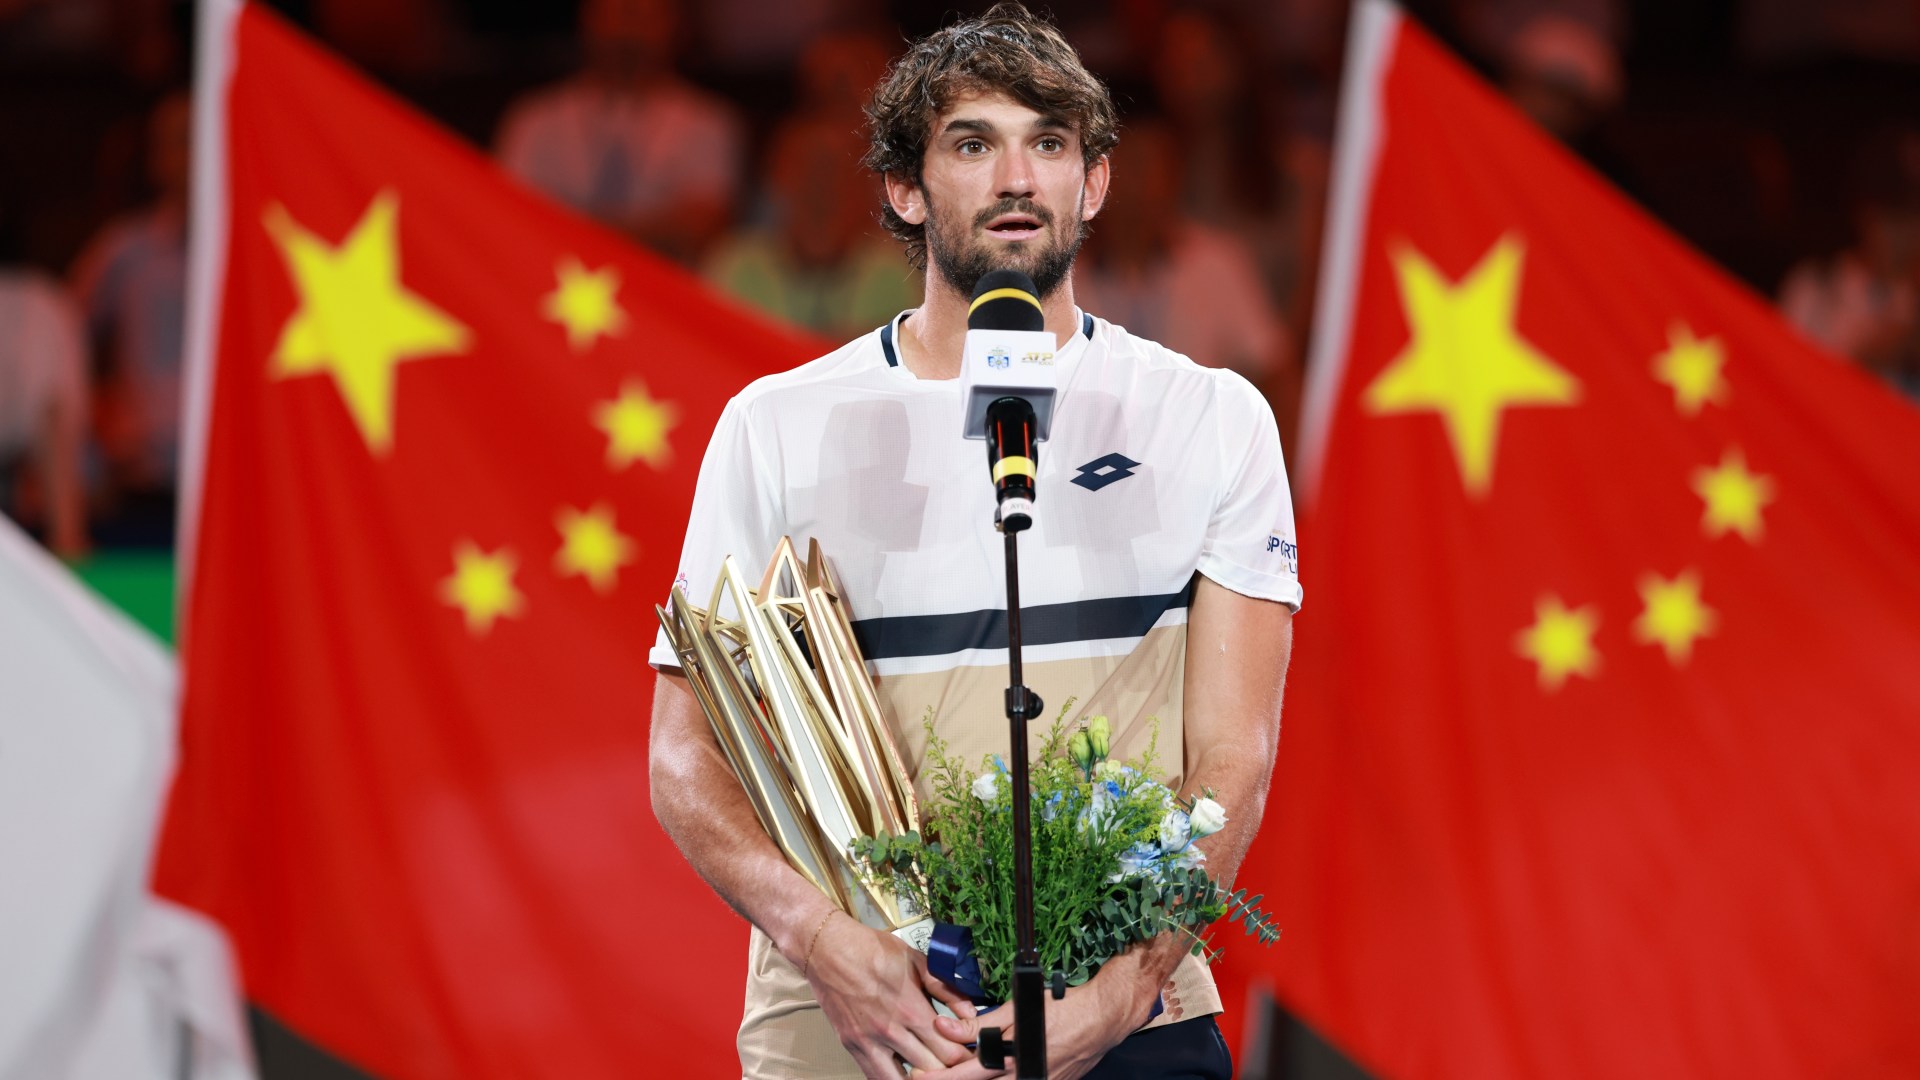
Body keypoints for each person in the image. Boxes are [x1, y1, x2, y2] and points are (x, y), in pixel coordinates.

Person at [647, 6, 1299, 1078]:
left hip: (1128, 1012)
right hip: (852, 1020)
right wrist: (822, 943)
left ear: (1094, 183)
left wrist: (1120, 991)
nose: (1016, 178)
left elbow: (1234, 755)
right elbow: (682, 758)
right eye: (971, 143)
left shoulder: (1213, 418)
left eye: (1049, 143)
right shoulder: (774, 426)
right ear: (904, 188)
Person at [493, 0, 745, 264]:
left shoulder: (708, 123)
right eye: (615, 11)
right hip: (546, 279)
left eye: (642, 13)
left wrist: (570, 224)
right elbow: (510, 221)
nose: (627, 29)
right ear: (587, 18)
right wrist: (659, 226)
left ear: (675, 23)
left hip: (660, 284)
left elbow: (701, 229)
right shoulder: (534, 120)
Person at [71, 90, 189, 536]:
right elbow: (58, 338)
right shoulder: (126, 251)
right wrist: (92, 432)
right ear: (156, 158)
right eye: (178, 140)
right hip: (142, 481)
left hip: (239, 476)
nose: (191, 154)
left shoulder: (265, 248)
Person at [702, 112, 918, 341]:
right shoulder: (735, 268)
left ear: (864, 190)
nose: (822, 191)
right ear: (778, 181)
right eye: (807, 173)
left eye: (838, 175)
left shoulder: (896, 275)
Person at [0, 246, 90, 560]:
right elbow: (53, 417)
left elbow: (53, 417)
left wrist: (68, 537)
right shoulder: (43, 305)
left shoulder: (40, 306)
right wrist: (68, 537)